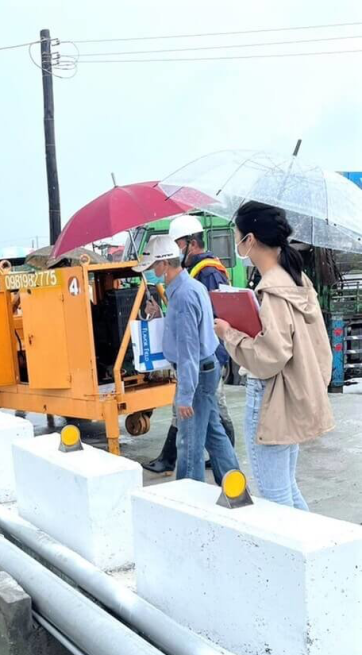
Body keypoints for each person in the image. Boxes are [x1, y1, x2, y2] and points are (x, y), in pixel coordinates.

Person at [214, 202, 333, 510]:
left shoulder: (273, 290)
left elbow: (270, 355)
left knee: (273, 497)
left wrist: (229, 333)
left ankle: (298, 556)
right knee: (286, 487)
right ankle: (314, 553)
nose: (238, 242)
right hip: (293, 391)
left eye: (237, 236)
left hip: (270, 395)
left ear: (249, 239)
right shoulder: (297, 280)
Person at [136, 235, 239, 483]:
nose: (151, 273)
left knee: (189, 441)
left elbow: (188, 350)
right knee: (213, 434)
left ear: (163, 265)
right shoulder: (189, 287)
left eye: (152, 268)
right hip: (205, 368)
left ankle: (189, 498)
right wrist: (159, 313)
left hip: (197, 372)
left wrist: (184, 394)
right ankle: (235, 486)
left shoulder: (182, 295)